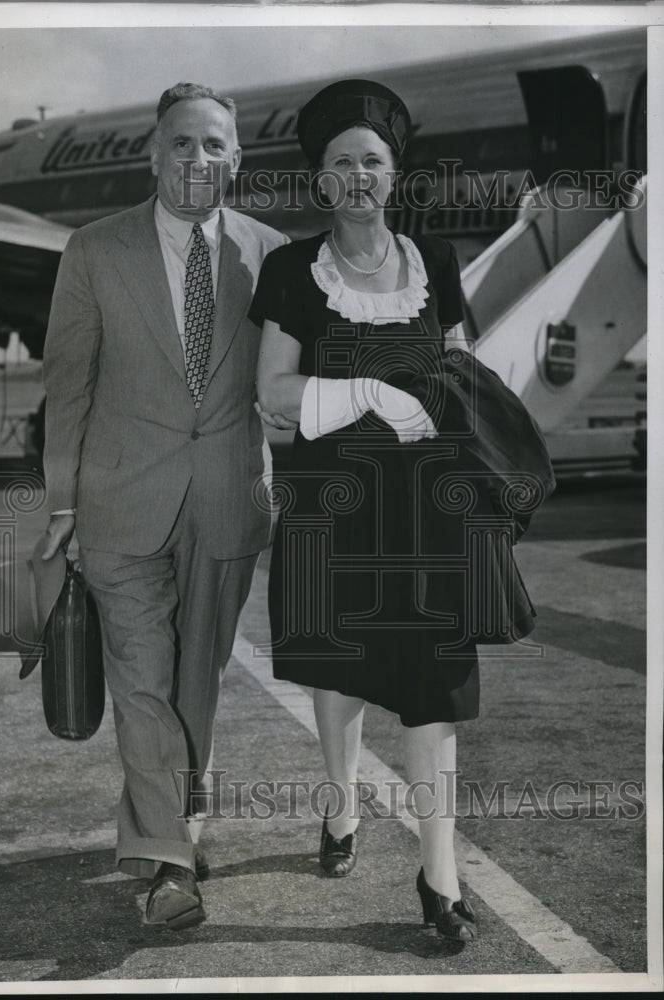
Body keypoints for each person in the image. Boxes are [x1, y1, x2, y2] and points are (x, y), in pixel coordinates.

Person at [252, 79, 549, 942]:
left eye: (371, 160)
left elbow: (464, 378)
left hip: (428, 516)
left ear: (395, 172)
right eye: (339, 161)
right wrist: (376, 393)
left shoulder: (438, 262)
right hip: (331, 511)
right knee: (338, 681)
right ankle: (341, 811)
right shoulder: (290, 271)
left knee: (436, 697)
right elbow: (271, 393)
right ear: (320, 178)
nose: (357, 176)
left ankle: (439, 882)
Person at [40, 82, 287, 930]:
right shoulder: (94, 249)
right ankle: (170, 864)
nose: (198, 160)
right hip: (118, 500)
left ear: (237, 158)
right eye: (181, 144)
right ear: (154, 154)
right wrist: (62, 506)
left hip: (225, 497)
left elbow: (284, 386)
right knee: (142, 682)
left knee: (193, 685)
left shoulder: (269, 253)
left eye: (214, 145)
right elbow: (67, 385)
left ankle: (175, 821)